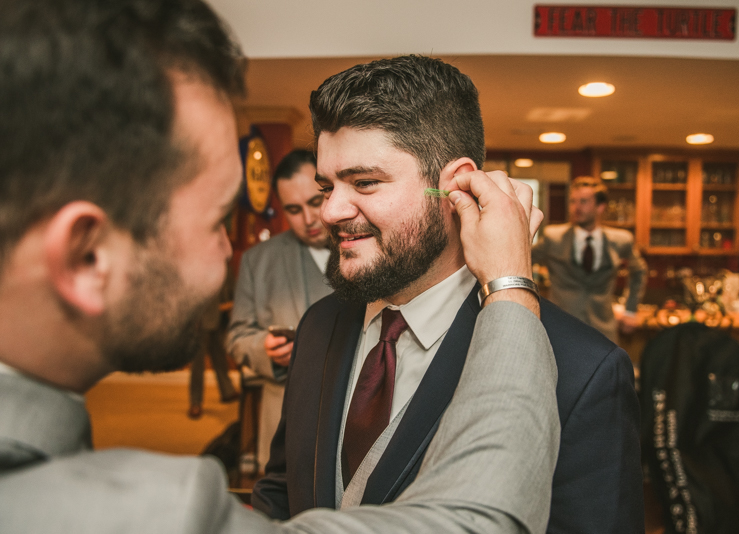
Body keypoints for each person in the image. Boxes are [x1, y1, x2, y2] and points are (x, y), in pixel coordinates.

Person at [0, 1, 560, 532]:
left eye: (364, 182)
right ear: (86, 256)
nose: (229, 250)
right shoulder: (147, 512)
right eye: (220, 219)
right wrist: (511, 283)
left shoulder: (581, 365)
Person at [253, 56, 645, 533]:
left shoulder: (584, 370)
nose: (331, 211)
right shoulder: (320, 325)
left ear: (454, 184)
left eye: (364, 183)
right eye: (326, 186)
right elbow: (281, 491)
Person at [227, 149, 332, 468]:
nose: (309, 219)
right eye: (293, 210)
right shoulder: (258, 262)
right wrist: (266, 350)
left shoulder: (369, 249)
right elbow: (237, 336)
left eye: (315, 202)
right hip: (285, 421)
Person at [531, 176, 648, 343]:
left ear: (600, 207)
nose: (576, 207)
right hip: (561, 328)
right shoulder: (553, 237)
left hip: (603, 328)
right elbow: (523, 261)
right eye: (573, 201)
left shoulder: (621, 240)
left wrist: (630, 310)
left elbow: (639, 271)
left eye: (583, 201)